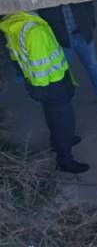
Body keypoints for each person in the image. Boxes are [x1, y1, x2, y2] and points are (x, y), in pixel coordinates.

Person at [0, 12, 88, 173]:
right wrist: (51, 88)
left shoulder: (13, 25)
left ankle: (58, 143)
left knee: (53, 117)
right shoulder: (34, 30)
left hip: (40, 84)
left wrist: (37, 88)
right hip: (53, 84)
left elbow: (16, 57)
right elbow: (41, 65)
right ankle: (65, 161)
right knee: (64, 122)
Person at [38, 2, 97, 111]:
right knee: (63, 71)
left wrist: (91, 22)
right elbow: (44, 13)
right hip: (62, 39)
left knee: (93, 66)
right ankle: (65, 100)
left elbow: (88, 3)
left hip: (82, 34)